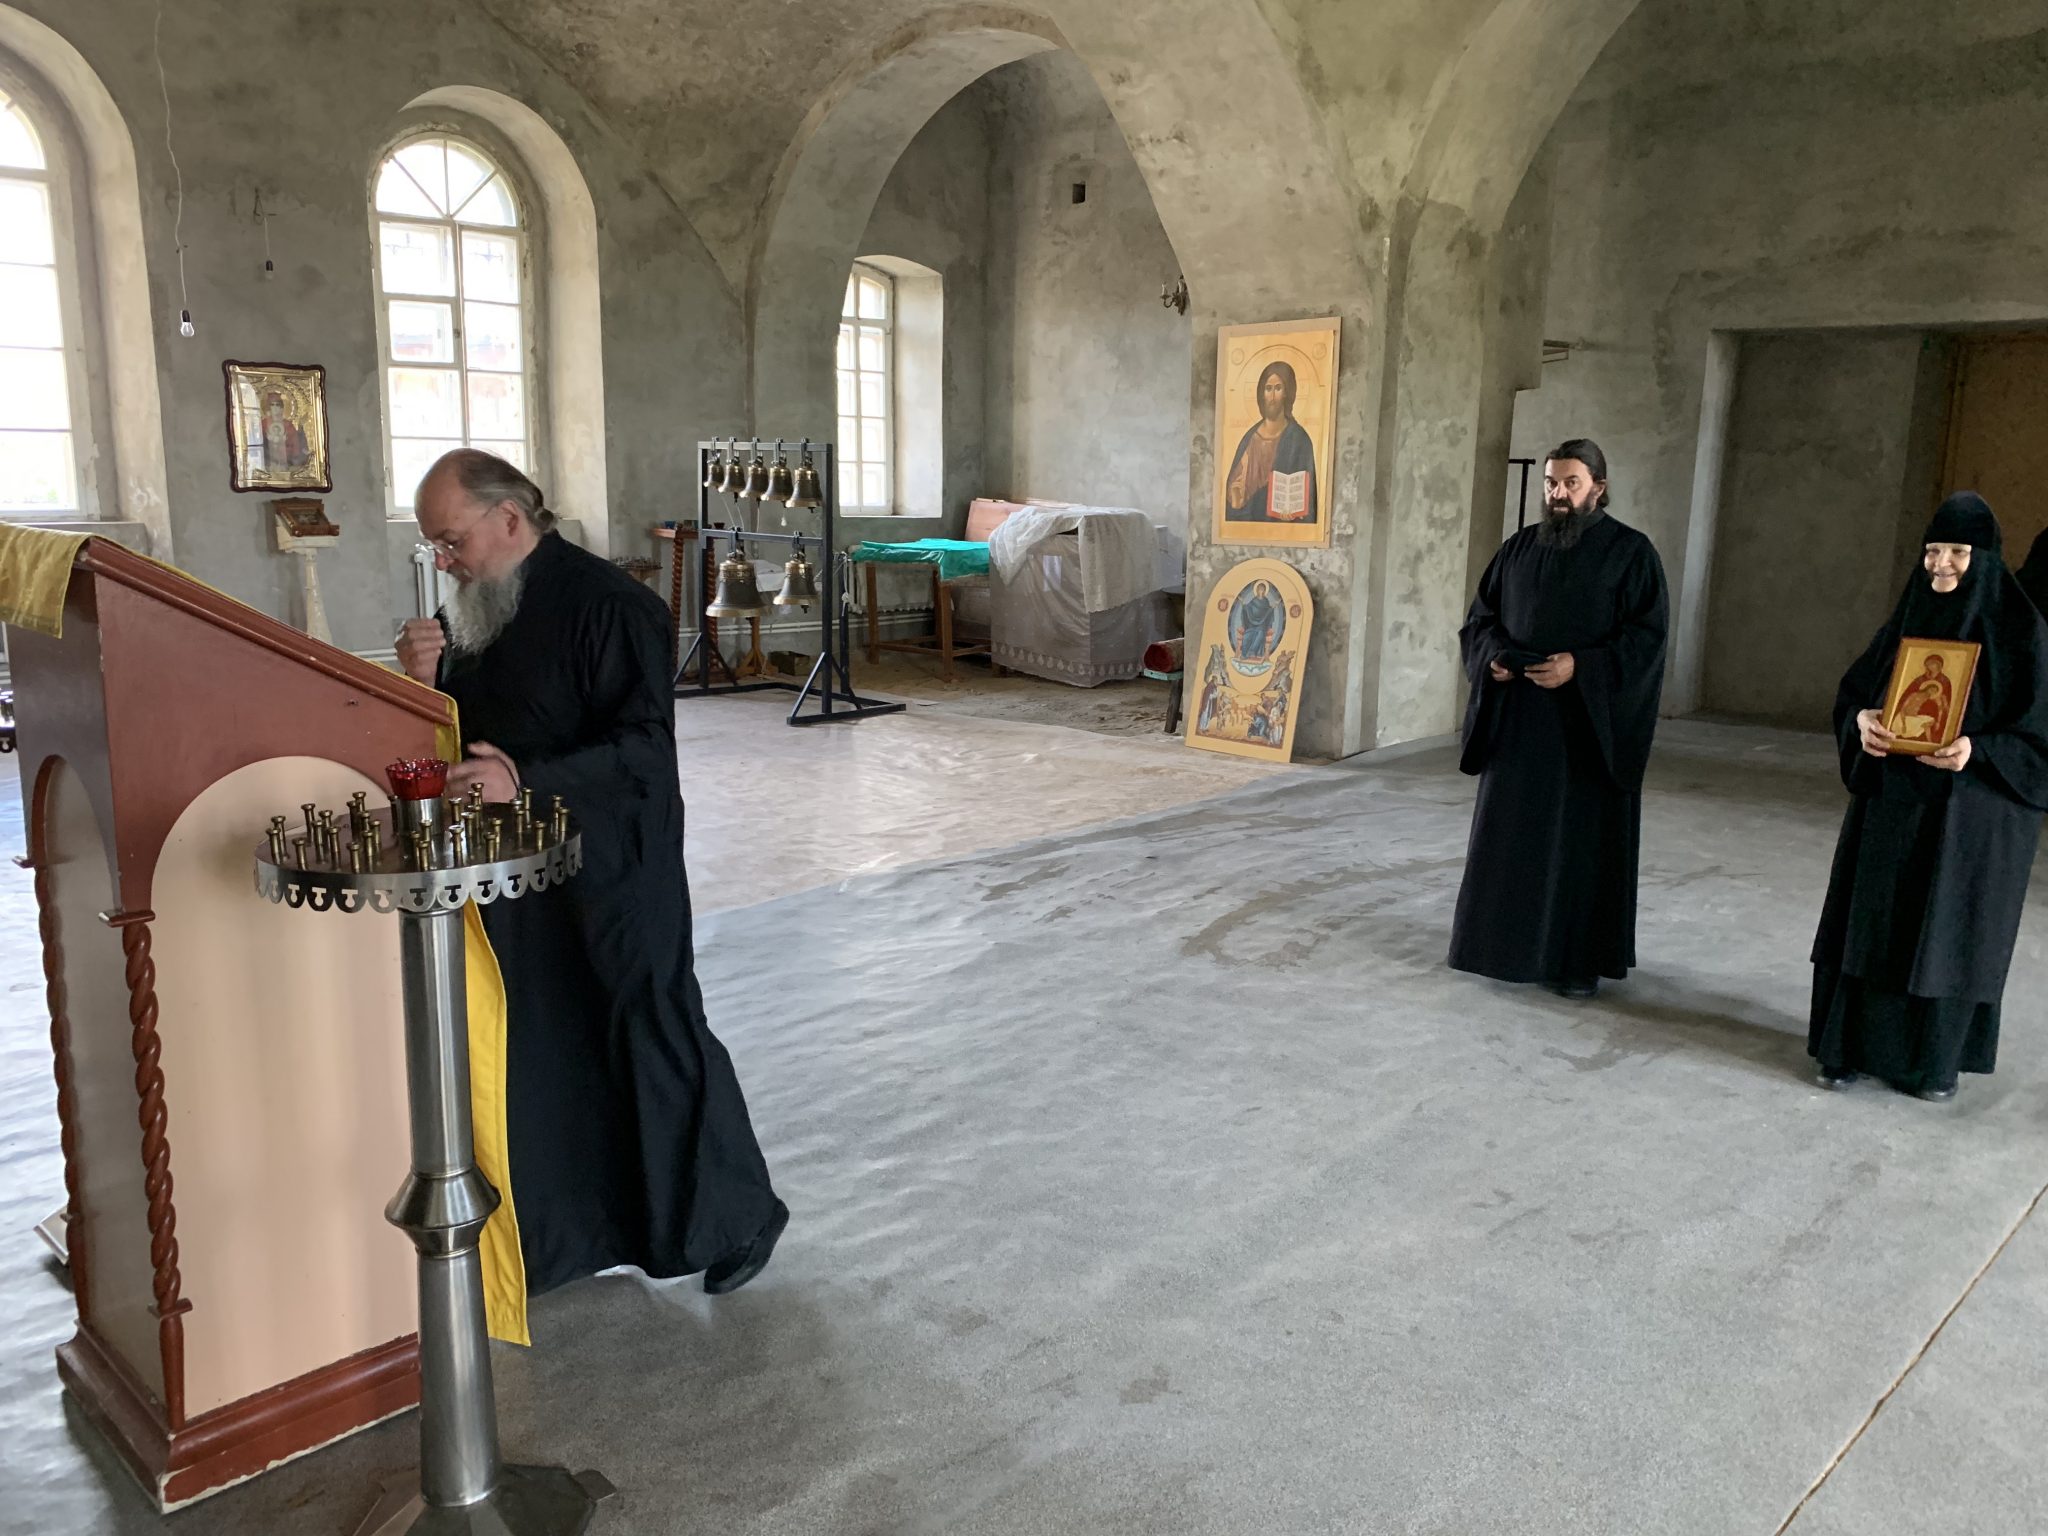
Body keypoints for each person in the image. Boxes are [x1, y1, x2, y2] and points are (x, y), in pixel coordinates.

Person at [396, 449, 787, 1295]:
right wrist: (427, 683)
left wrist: (527, 780)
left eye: (453, 540)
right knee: (554, 1046)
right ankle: (575, 1236)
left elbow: (644, 749)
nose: (446, 561)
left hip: (615, 860)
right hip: (523, 870)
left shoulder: (615, 606)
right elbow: (478, 732)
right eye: (435, 547)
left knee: (649, 1036)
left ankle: (740, 1215)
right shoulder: (476, 612)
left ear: (509, 518)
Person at [1809, 492, 2048, 1102]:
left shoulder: (2022, 632)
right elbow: (1857, 691)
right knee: (1873, 923)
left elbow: (2038, 734)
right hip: (1893, 805)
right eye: (1933, 550)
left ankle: (1931, 1063)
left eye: (1958, 552)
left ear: (1985, 559)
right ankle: (1849, 1049)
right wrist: (1862, 721)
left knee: (1946, 933)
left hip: (1972, 819)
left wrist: (1978, 751)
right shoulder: (1909, 617)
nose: (1942, 564)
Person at [1448, 439, 1669, 999]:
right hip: (1520, 725)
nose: (1558, 494)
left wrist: (1582, 667)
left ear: (1598, 486)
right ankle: (1503, 949)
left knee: (1578, 849)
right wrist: (1493, 658)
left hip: (1586, 733)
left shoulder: (1631, 554)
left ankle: (1576, 963)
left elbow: (1646, 642)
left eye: (1571, 483)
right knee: (1513, 844)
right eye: (1551, 482)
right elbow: (1480, 621)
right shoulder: (1518, 549)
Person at [1224, 361, 1318, 523]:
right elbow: (1234, 504)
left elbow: (1308, 499)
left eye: (1278, 388)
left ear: (1287, 393)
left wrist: (1294, 512)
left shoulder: (1299, 439)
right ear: (1262, 393)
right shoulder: (1249, 438)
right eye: (1268, 389)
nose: (1272, 397)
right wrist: (1235, 498)